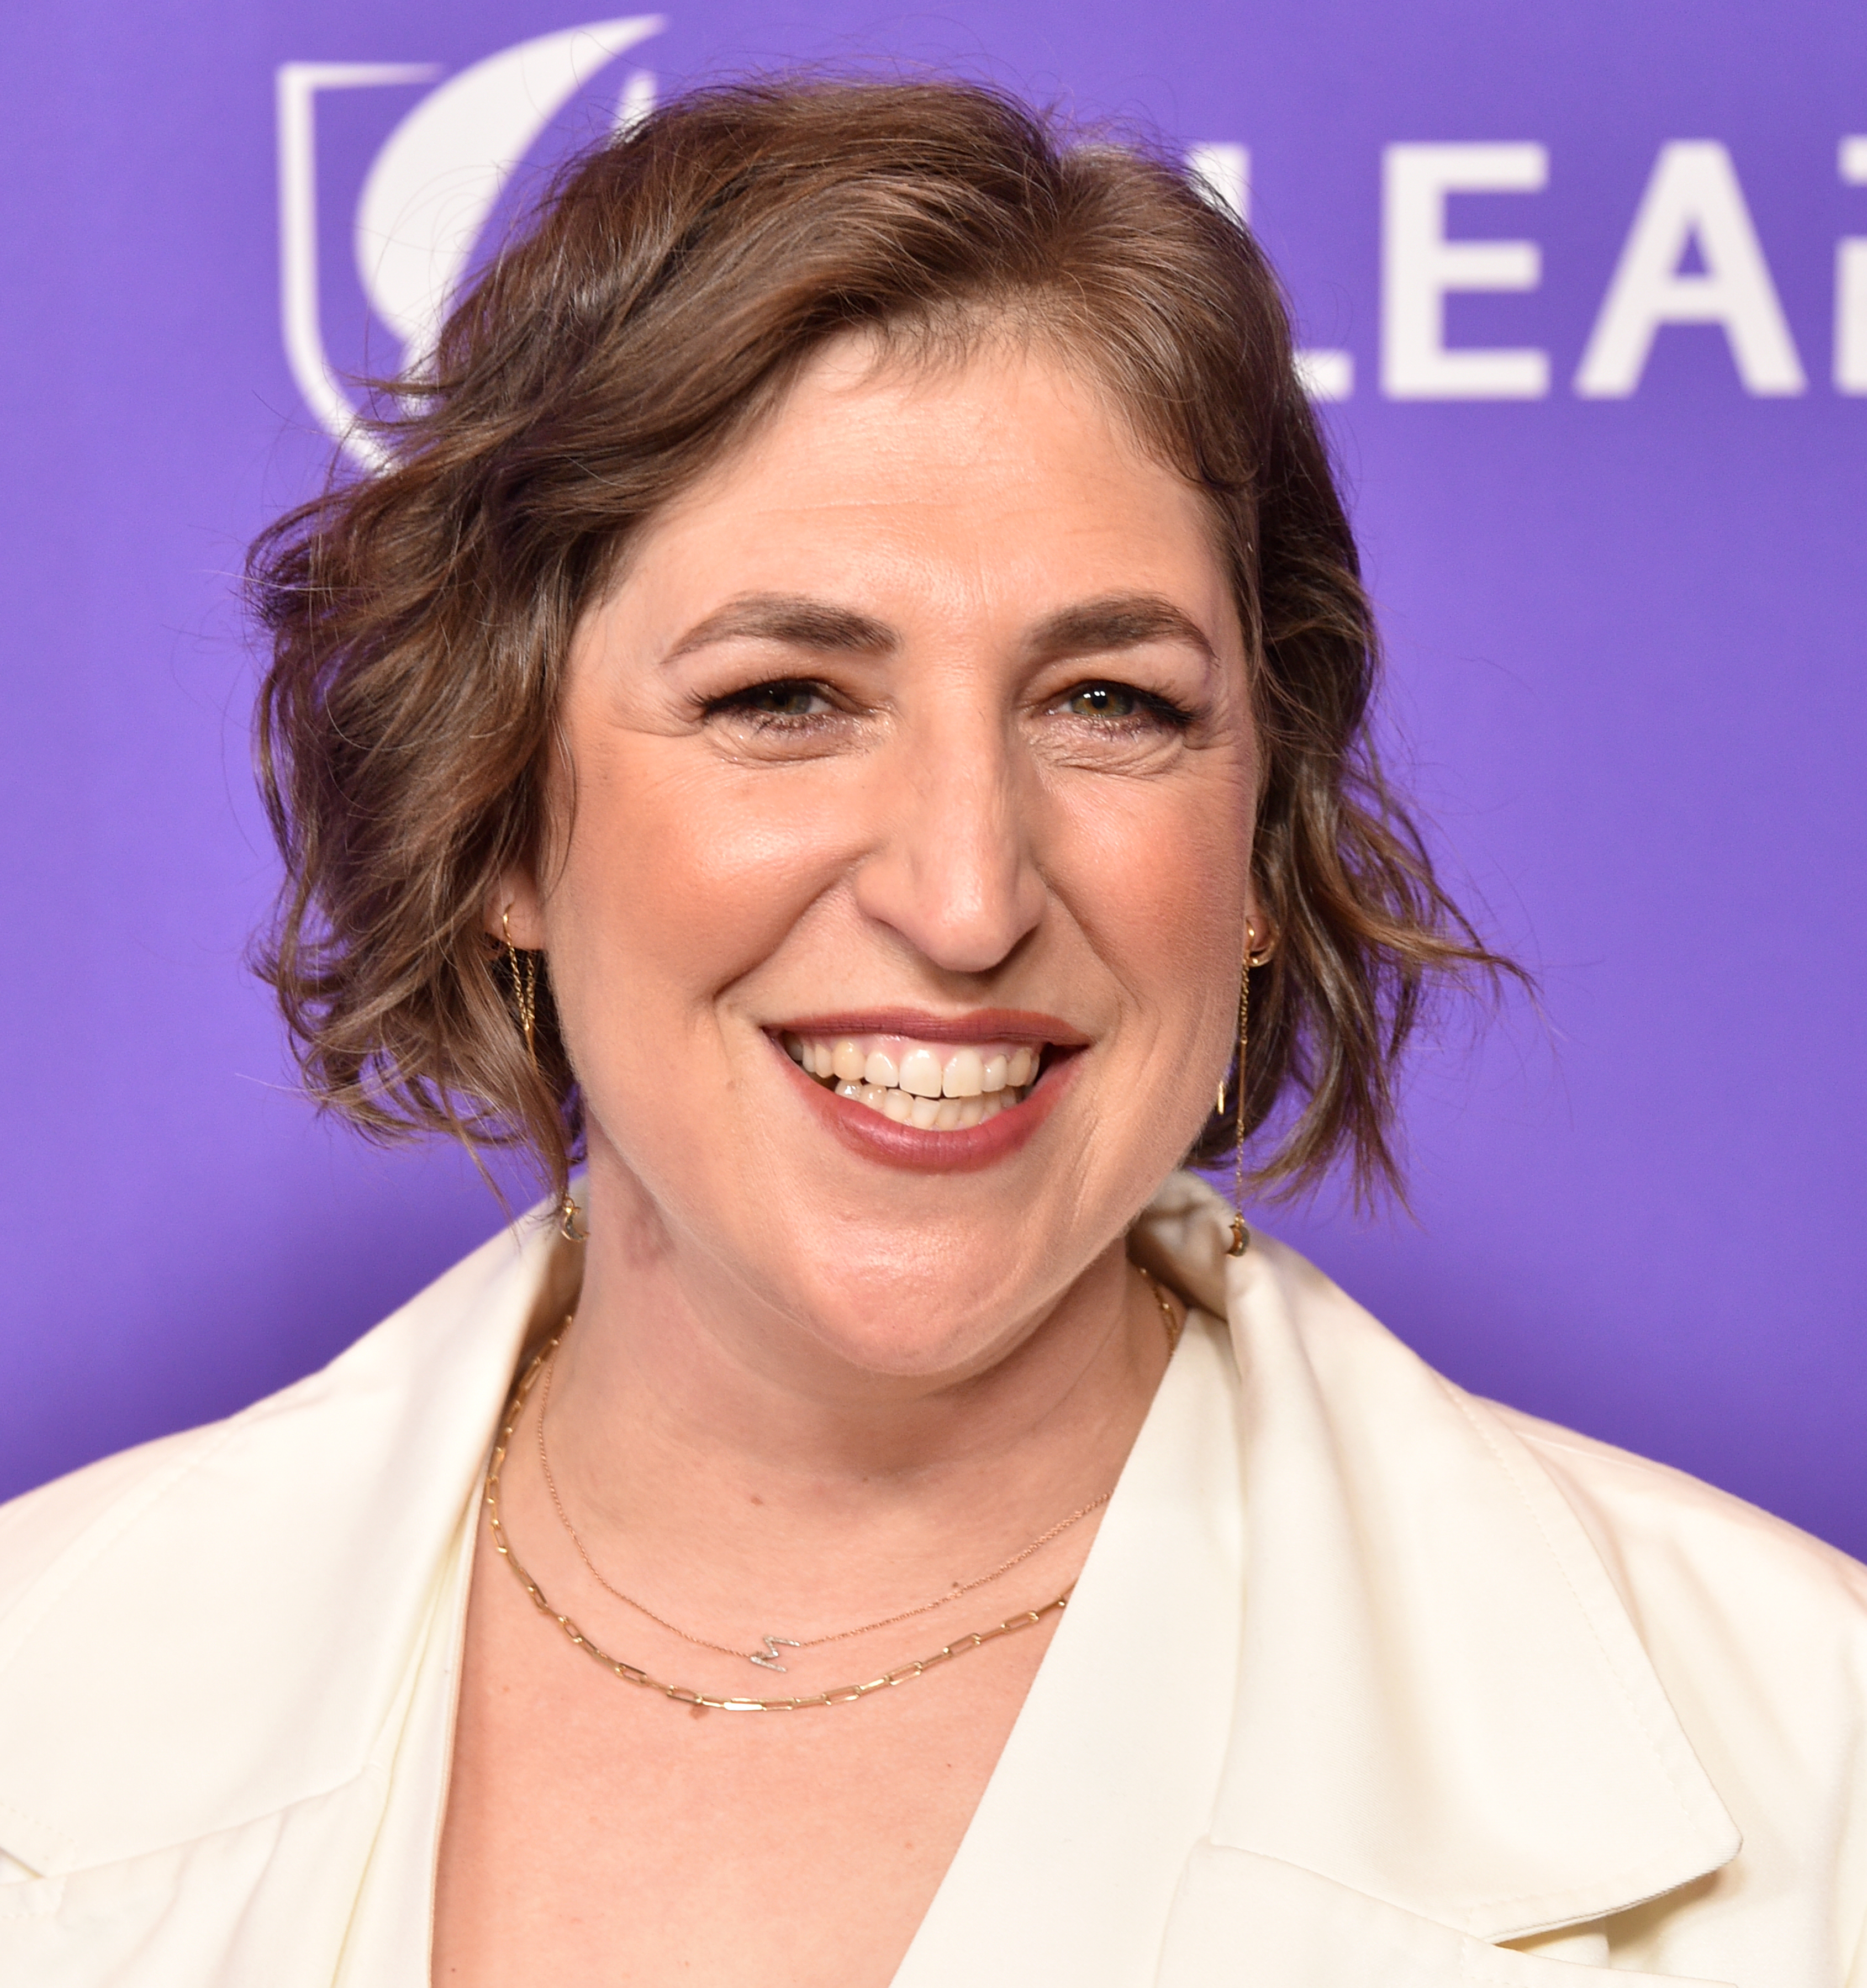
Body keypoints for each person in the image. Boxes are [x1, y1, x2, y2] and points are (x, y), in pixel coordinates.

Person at [1, 76, 1862, 1988]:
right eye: (787, 695)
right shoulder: (32, 1682)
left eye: (1111, 704)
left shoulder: (1808, 1765)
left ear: (1252, 840)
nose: (966, 898)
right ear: (500, 814)